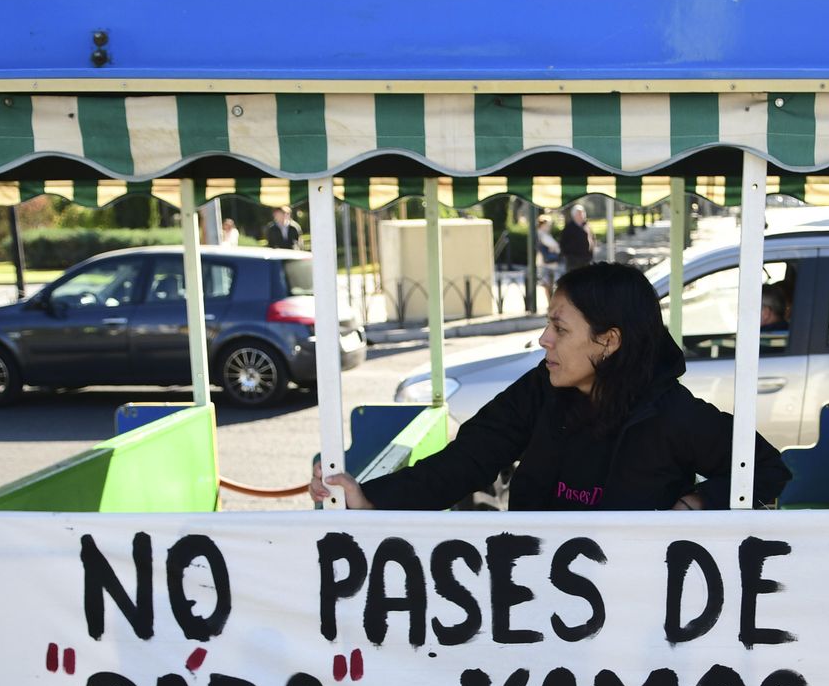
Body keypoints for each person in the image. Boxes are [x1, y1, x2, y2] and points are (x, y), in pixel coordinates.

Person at [312, 261, 789, 511]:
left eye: (560, 329)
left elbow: (767, 470)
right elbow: (466, 460)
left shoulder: (673, 415)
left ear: (608, 341)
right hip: (539, 603)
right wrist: (371, 498)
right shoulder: (540, 390)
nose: (544, 340)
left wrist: (701, 500)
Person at [558, 203, 595, 272]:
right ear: (574, 216)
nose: (581, 216)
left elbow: (592, 240)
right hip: (574, 262)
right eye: (579, 214)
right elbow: (562, 244)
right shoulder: (568, 228)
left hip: (586, 260)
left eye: (582, 213)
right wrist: (570, 256)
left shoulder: (587, 226)